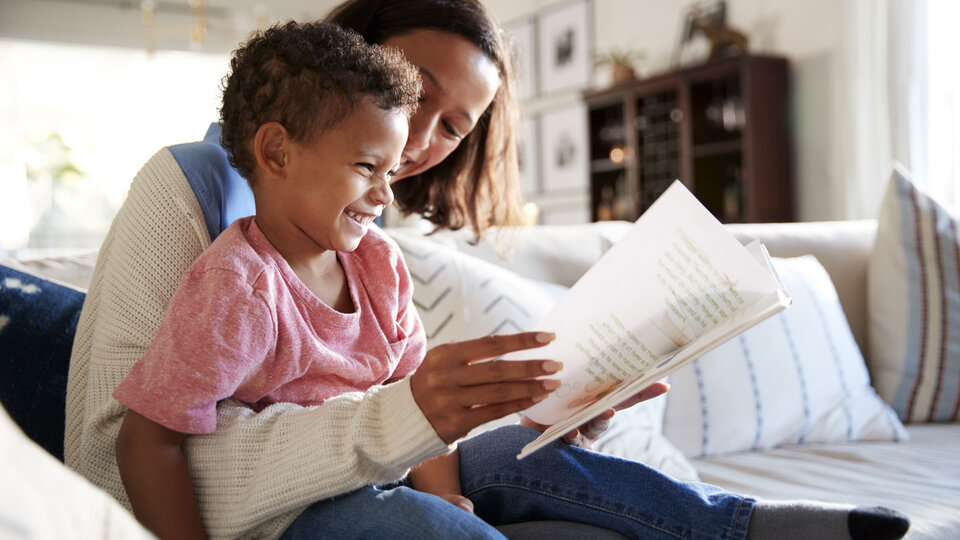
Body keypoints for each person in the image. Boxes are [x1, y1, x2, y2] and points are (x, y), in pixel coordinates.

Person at [65, 1, 910, 540]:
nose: (418, 142)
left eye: (452, 127)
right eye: (414, 93)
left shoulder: (375, 255)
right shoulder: (217, 238)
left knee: (533, 458)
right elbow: (137, 447)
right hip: (298, 505)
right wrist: (413, 454)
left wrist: (555, 407)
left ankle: (741, 525)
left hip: (389, 466)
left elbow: (408, 404)